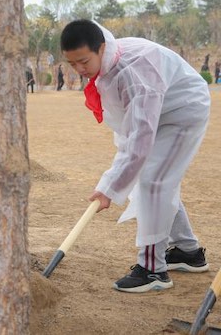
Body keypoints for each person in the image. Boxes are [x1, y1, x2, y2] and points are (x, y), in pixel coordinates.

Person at [61, 19, 210, 293]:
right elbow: (129, 132)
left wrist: (111, 188)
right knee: (157, 178)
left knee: (154, 181)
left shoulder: (134, 72)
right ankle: (189, 251)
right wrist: (112, 181)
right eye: (72, 64)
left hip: (183, 110)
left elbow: (139, 140)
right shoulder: (108, 66)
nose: (80, 70)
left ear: (101, 48)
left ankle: (153, 270)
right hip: (160, 110)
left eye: (83, 61)